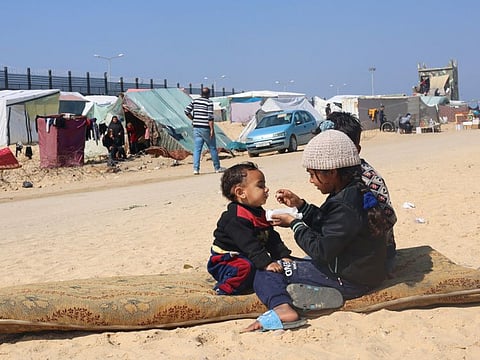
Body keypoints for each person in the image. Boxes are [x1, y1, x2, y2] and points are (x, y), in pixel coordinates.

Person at [242, 130, 388, 332]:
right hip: (363, 271)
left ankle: (283, 309)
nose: (311, 180)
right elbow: (332, 227)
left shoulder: (345, 204)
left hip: (351, 279)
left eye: (313, 174)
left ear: (332, 171)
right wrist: (301, 205)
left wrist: (295, 224)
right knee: (291, 263)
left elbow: (320, 250)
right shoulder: (352, 191)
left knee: (267, 270)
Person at [326, 111, 397, 274]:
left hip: (374, 261)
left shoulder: (367, 179)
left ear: (355, 149)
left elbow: (388, 219)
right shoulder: (339, 177)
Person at [208, 162, 293, 295]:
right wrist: (266, 263)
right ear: (240, 192)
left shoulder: (257, 211)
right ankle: (223, 289)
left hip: (246, 255)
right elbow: (249, 244)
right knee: (246, 268)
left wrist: (283, 255)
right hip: (225, 261)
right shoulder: (235, 218)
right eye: (260, 186)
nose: (266, 189)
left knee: (276, 267)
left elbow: (271, 237)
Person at [184, 87, 225, 175]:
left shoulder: (195, 101)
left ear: (201, 93)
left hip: (196, 127)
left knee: (197, 149)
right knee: (212, 148)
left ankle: (196, 169)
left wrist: (193, 119)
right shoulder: (209, 102)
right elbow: (210, 117)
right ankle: (217, 167)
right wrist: (212, 129)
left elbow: (186, 111)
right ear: (208, 94)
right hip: (205, 128)